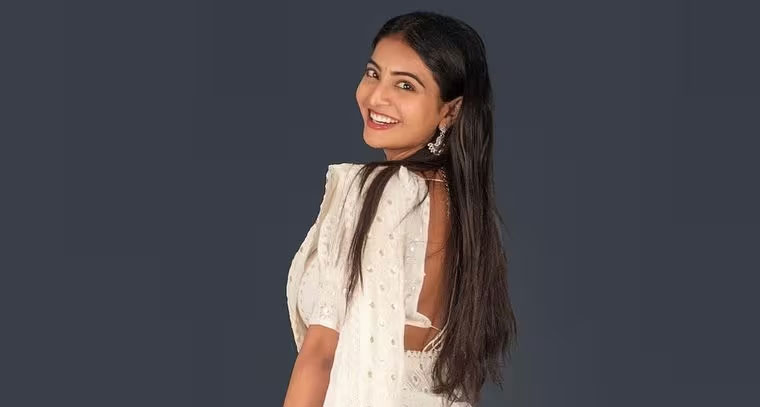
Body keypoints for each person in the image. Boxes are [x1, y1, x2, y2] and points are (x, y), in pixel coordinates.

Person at [284, 10, 517, 407]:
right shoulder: (467, 212)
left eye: (405, 85)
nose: (376, 97)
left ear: (450, 111)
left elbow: (321, 356)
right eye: (373, 73)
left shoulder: (375, 190)